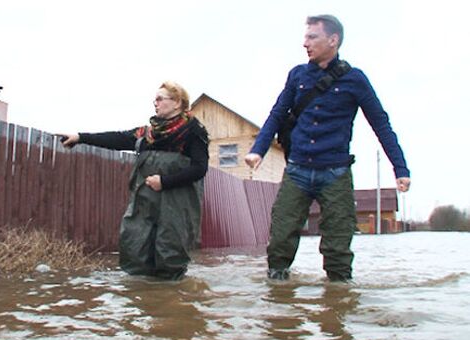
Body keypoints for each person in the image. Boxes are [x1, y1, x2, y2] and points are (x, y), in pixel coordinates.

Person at [245, 15, 411, 282]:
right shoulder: (297, 75)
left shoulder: (355, 80)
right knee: (280, 239)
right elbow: (277, 114)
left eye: (312, 37)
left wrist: (400, 169)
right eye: (305, 37)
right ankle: (278, 300)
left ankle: (337, 301)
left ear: (333, 40)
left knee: (337, 247)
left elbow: (381, 124)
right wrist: (258, 150)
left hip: (335, 173)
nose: (305, 43)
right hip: (297, 170)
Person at [60, 81, 209, 280]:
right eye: (154, 99)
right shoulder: (147, 134)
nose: (154, 103)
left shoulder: (193, 131)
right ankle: (141, 300)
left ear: (177, 103)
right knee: (135, 247)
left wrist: (165, 181)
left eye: (159, 99)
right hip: (145, 203)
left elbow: (200, 169)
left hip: (177, 206)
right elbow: (117, 138)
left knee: (170, 254)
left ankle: (171, 304)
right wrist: (80, 137)